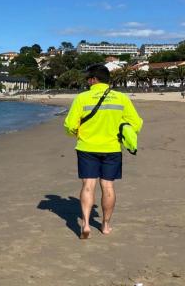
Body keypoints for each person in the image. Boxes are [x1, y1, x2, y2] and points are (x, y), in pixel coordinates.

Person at [64, 64, 143, 240]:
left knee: (88, 185)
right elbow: (136, 123)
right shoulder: (121, 98)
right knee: (107, 186)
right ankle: (105, 225)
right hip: (112, 148)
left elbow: (69, 125)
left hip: (87, 147)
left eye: (87, 79)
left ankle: (85, 224)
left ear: (93, 79)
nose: (87, 82)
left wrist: (76, 133)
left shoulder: (82, 98)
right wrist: (123, 131)